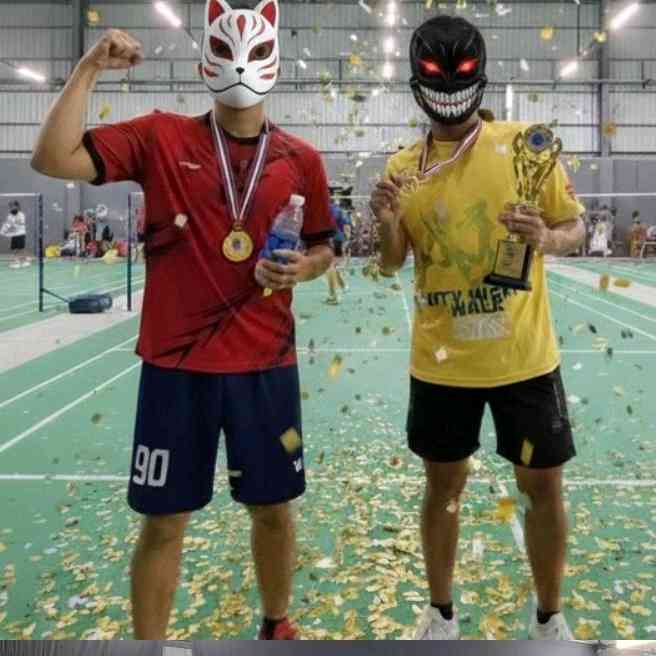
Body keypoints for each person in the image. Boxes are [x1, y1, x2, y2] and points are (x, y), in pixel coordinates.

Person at [31, 0, 334, 640]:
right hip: (176, 368)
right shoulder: (160, 137)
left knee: (274, 510)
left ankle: (276, 626)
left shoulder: (301, 157)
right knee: (164, 521)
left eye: (255, 53)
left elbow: (324, 246)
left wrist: (303, 269)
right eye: (224, 51)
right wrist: (88, 68)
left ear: (276, 64)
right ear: (203, 64)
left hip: (266, 365)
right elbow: (52, 158)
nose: (240, 66)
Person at [370, 15, 585, 640]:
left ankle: (550, 619)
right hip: (442, 363)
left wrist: (546, 239)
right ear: (417, 81)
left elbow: (572, 226)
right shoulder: (403, 167)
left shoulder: (527, 147)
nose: (448, 86)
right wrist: (387, 222)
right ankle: (440, 614)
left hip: (525, 359)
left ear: (480, 75)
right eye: (435, 73)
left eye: (459, 71)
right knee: (442, 489)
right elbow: (391, 262)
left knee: (543, 489)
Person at [325, 200, 352, 304]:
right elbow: (347, 227)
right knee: (334, 266)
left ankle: (334, 296)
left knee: (329, 266)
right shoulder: (339, 210)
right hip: (339, 240)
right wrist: (346, 240)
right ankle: (343, 285)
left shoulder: (324, 209)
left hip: (329, 239)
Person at [1, 200, 29, 268]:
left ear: (18, 207)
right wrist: (2, 231)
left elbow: (20, 224)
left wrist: (12, 224)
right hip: (14, 235)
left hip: (21, 234)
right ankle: (18, 261)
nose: (12, 208)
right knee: (15, 249)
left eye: (14, 206)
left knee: (21, 248)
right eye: (11, 207)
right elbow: (7, 224)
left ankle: (23, 261)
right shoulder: (10, 216)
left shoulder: (21, 215)